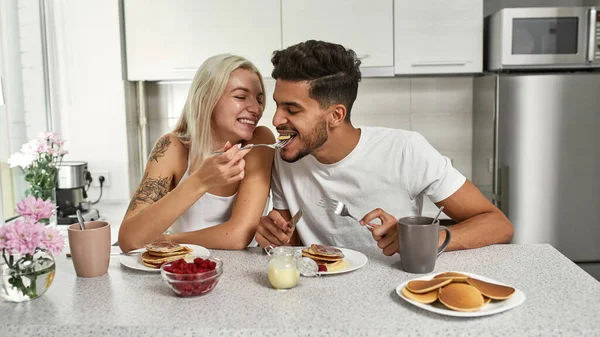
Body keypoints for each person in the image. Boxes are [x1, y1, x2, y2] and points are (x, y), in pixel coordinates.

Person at [255, 40, 514, 255]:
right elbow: (290, 244)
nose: (277, 120)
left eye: (292, 109)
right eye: (278, 105)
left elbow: (498, 224)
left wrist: (421, 239)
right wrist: (274, 236)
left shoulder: (406, 150)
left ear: (335, 115)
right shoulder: (286, 156)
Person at [118, 54, 274, 253]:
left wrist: (166, 240)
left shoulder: (259, 141)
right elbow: (129, 240)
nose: (256, 109)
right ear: (206, 98)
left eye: (259, 99)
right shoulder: (171, 147)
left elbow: (238, 236)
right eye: (241, 97)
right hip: (185, 273)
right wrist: (201, 180)